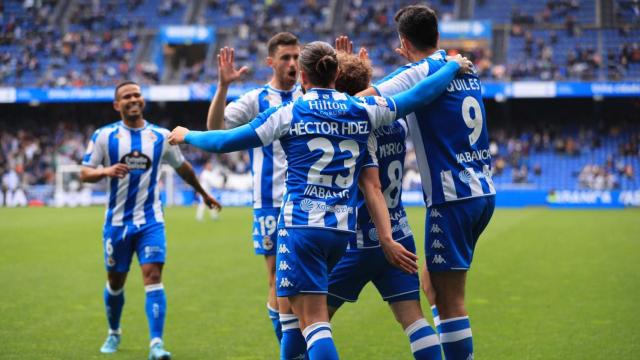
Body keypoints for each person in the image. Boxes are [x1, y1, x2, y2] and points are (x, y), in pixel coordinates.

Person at [169, 41, 470, 359]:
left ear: (302, 76)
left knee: (310, 322)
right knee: (318, 318)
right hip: (341, 229)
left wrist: (186, 134)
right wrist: (450, 66)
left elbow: (226, 140)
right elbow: (416, 97)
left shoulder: (288, 112)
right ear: (336, 72)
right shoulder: (362, 111)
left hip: (301, 226)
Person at [356, 5, 496, 359]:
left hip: (453, 197)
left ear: (403, 41)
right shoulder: (466, 68)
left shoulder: (418, 71)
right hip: (480, 188)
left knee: (451, 301)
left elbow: (365, 102)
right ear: (437, 34)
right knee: (431, 287)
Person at [80, 81, 221, 360]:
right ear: (116, 105)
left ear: (142, 100)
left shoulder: (160, 136)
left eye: (137, 94)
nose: (133, 99)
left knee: (153, 277)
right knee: (116, 282)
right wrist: (106, 171)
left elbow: (183, 168)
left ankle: (156, 344)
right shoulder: (103, 136)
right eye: (126, 96)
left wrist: (204, 194)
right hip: (117, 223)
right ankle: (114, 331)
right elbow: (84, 173)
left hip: (151, 221)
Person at [327, 48, 441, 359]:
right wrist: (356, 70)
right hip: (400, 235)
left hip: (357, 240)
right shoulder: (397, 122)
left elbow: (371, 184)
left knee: (310, 320)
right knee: (413, 319)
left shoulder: (354, 129)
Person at [206, 32, 302, 345]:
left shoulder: (311, 94)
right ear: (270, 62)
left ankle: (300, 341)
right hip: (270, 201)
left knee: (310, 279)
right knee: (278, 277)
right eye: (285, 57)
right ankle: (289, 347)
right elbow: (215, 129)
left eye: (296, 57)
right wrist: (223, 86)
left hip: (310, 200)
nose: (292, 63)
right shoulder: (256, 99)